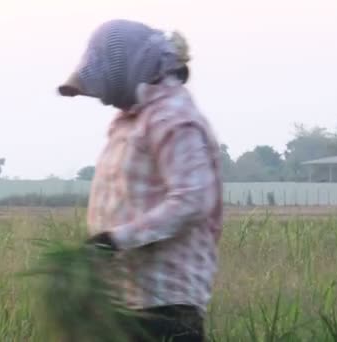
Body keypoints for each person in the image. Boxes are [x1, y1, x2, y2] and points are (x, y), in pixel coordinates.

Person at [57, 19, 224, 342]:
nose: (103, 99)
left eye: (105, 87)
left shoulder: (173, 117)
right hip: (128, 302)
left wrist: (116, 240)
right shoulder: (129, 119)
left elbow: (191, 201)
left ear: (127, 68)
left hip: (166, 309)